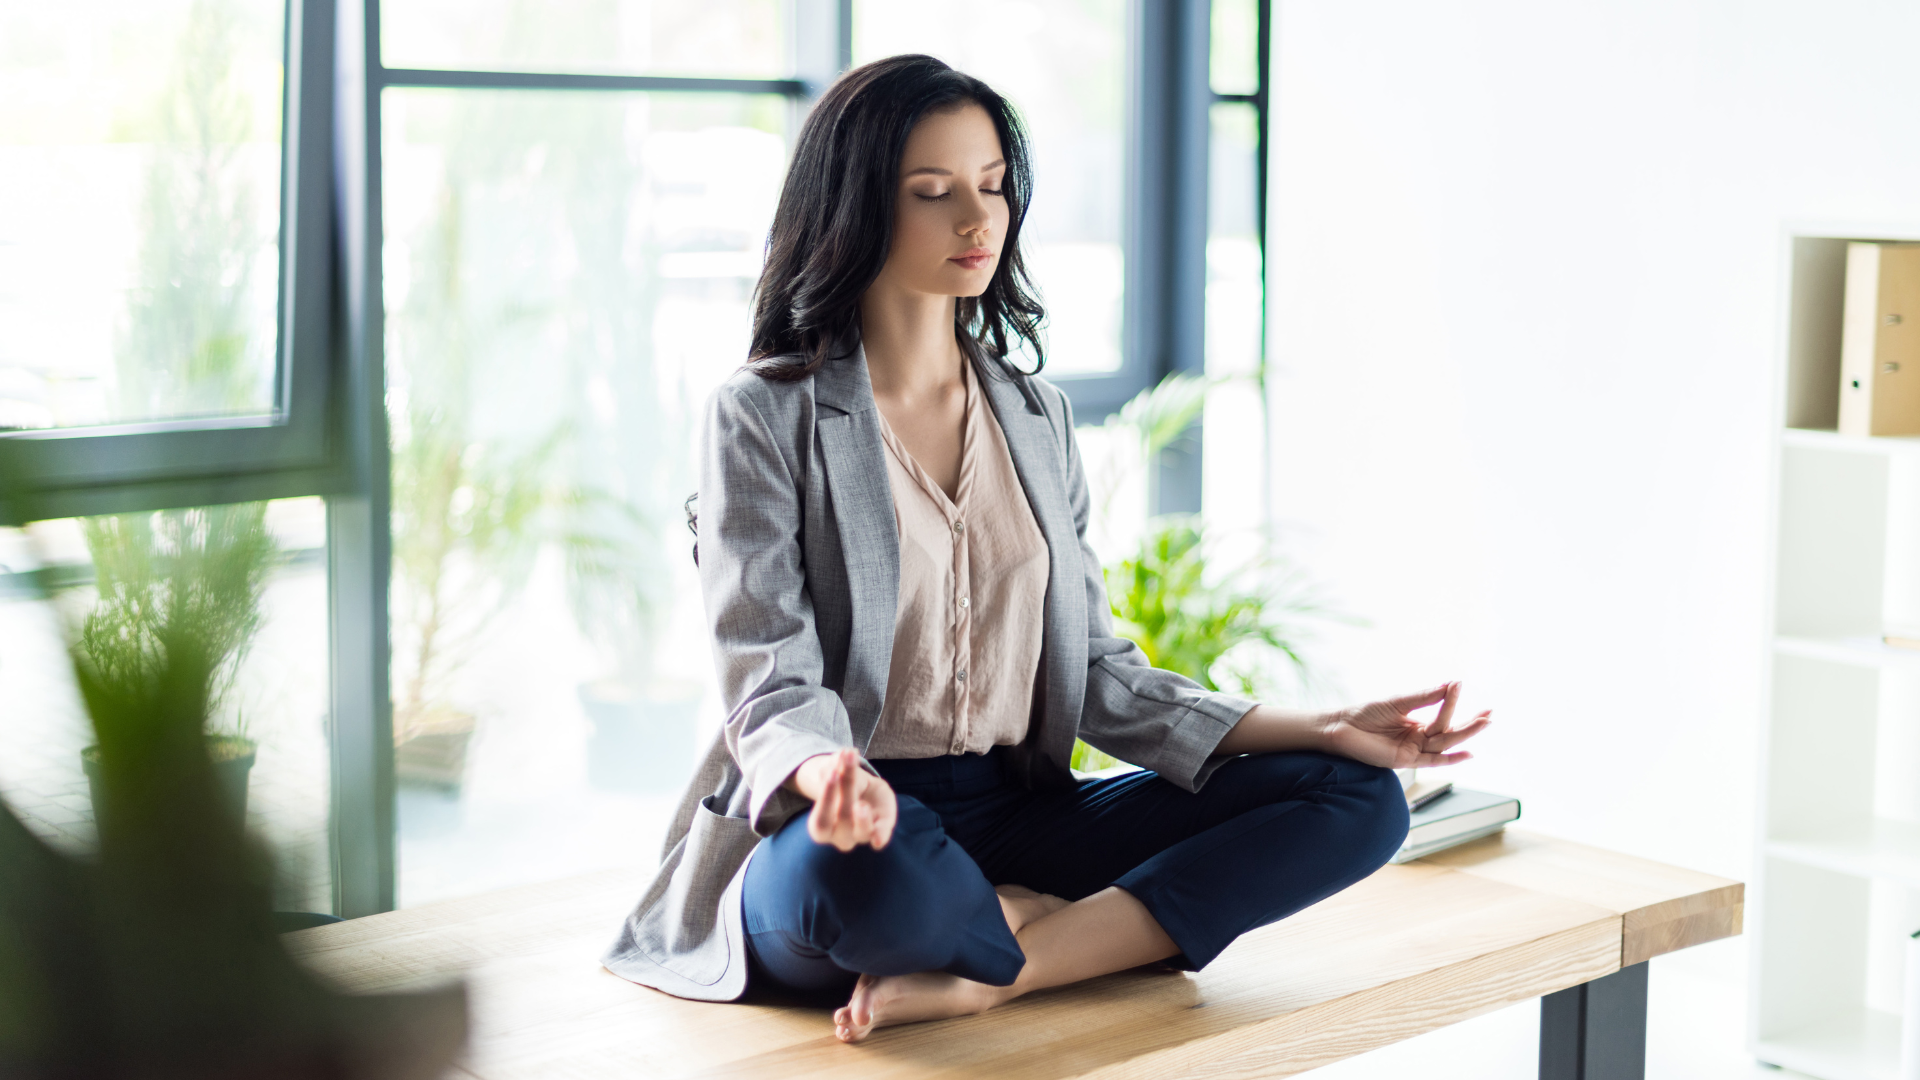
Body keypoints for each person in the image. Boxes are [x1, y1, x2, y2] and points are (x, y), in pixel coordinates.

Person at [602, 54, 1491, 1043]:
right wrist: (829, 780)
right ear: (854, 205)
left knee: (1360, 800)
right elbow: (769, 684)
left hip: (1018, 810)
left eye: (992, 188)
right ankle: (1035, 925)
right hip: (844, 818)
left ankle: (1009, 965)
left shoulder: (1037, 416)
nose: (977, 222)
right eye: (933, 193)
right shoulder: (763, 415)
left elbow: (1101, 679)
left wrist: (1322, 728)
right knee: (857, 887)